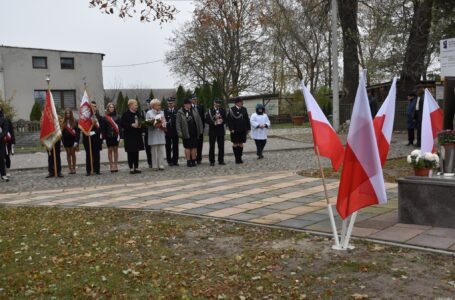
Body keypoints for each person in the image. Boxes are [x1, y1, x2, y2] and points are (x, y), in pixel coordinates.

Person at [176, 98, 203, 167]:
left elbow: (199, 120)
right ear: (185, 104)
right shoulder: (180, 112)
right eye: (189, 104)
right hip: (185, 132)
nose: (190, 105)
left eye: (190, 104)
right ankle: (188, 161)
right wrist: (179, 132)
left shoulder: (194, 110)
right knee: (187, 147)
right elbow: (178, 123)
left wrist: (200, 129)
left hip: (194, 131)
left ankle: (193, 161)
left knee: (194, 147)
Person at [121, 99, 144, 174]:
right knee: (130, 152)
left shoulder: (138, 113)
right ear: (130, 105)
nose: (137, 106)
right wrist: (131, 125)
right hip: (129, 136)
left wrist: (141, 125)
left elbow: (142, 122)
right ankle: (131, 168)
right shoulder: (125, 114)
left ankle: (136, 167)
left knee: (136, 152)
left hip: (137, 135)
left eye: (137, 105)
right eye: (135, 105)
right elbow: (122, 124)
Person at [82, 101, 103, 176]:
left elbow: (101, 128)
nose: (93, 107)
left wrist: (93, 133)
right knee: (88, 154)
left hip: (96, 138)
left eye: (94, 106)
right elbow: (82, 127)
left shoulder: (99, 117)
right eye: (92, 106)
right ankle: (89, 170)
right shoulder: (85, 117)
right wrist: (88, 132)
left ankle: (97, 170)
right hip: (87, 138)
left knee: (96, 154)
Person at [227, 97, 250, 164]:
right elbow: (229, 120)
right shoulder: (232, 109)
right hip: (235, 130)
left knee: (241, 143)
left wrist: (248, 128)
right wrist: (231, 129)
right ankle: (236, 158)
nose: (242, 103)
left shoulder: (244, 109)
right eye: (241, 102)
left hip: (242, 129)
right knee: (235, 143)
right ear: (237, 103)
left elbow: (246, 119)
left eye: (242, 102)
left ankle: (240, 158)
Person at [146, 99, 167, 170]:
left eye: (160, 105)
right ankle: (155, 166)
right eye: (158, 105)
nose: (159, 106)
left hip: (160, 133)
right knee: (154, 151)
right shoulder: (149, 113)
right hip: (153, 134)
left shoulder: (162, 112)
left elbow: (164, 121)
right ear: (153, 106)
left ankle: (161, 165)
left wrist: (163, 124)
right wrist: (154, 123)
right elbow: (147, 123)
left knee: (161, 150)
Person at [205, 98, 226, 166]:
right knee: (212, 147)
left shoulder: (222, 110)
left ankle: (221, 160)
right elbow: (206, 119)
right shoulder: (209, 110)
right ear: (214, 102)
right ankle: (212, 161)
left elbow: (226, 119)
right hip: (212, 130)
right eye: (216, 102)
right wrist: (213, 123)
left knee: (221, 146)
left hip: (220, 130)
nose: (218, 104)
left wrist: (222, 121)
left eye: (219, 103)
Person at [61, 108, 80, 174]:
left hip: (73, 141)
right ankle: (70, 168)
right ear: (65, 114)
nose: (68, 114)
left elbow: (78, 133)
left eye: (69, 113)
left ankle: (74, 168)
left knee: (73, 153)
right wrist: (62, 142)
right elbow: (62, 133)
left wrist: (76, 142)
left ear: (71, 114)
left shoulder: (75, 121)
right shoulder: (63, 122)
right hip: (66, 141)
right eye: (66, 113)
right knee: (68, 154)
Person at [103, 102, 121, 172]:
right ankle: (111, 165)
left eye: (112, 107)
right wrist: (104, 138)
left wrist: (121, 137)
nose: (111, 108)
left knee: (115, 150)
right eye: (110, 107)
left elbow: (120, 127)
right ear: (108, 108)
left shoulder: (118, 116)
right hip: (108, 136)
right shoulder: (105, 117)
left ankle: (115, 165)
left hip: (116, 136)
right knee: (110, 150)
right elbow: (104, 129)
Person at [164, 96, 179, 166]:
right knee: (168, 147)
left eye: (171, 103)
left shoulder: (177, 111)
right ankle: (169, 161)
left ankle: (175, 160)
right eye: (169, 103)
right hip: (167, 131)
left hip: (175, 131)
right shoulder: (164, 111)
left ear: (174, 103)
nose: (170, 104)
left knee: (175, 146)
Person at [191, 94, 205, 164]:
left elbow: (203, 118)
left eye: (196, 99)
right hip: (193, 130)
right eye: (193, 99)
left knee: (200, 144)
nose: (195, 100)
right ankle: (192, 158)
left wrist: (203, 128)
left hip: (200, 129)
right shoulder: (189, 107)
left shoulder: (201, 107)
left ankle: (199, 158)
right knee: (193, 144)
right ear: (191, 100)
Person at [142, 99, 153, 168]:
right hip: (146, 132)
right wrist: (143, 132)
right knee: (148, 148)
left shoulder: (156, 111)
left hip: (153, 132)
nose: (149, 105)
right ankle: (150, 162)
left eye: (150, 103)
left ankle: (155, 161)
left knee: (154, 148)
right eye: (148, 104)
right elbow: (142, 122)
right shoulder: (143, 112)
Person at [0, 106, 9, 181]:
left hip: (1, 142)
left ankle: (3, 174)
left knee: (1, 158)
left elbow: (5, 130)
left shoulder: (4, 119)